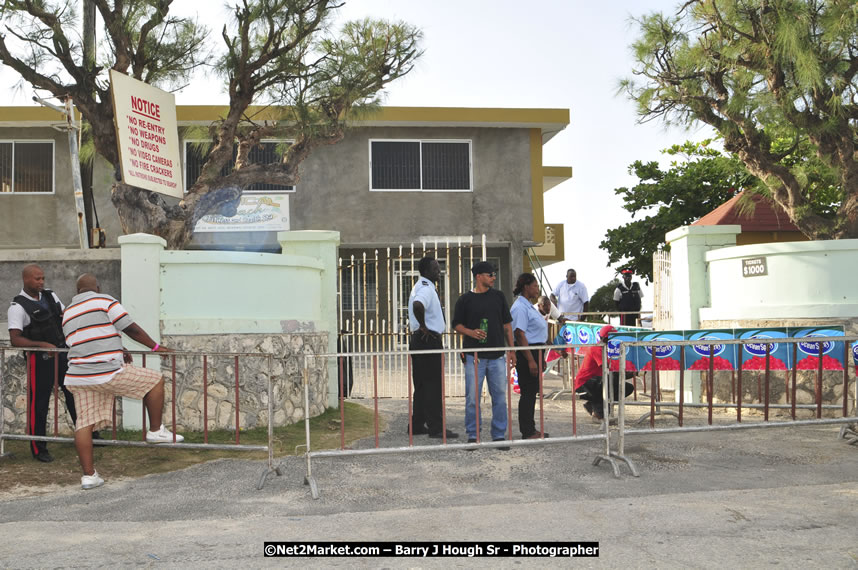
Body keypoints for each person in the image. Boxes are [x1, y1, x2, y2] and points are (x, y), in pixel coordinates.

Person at [62, 273, 184, 490]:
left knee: (84, 423)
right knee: (155, 380)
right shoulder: (105, 300)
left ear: (77, 291)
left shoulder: (68, 312)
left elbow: (87, 341)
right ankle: (155, 431)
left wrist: (119, 348)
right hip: (107, 372)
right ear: (97, 287)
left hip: (78, 376)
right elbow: (131, 328)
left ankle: (89, 476)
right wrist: (156, 347)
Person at [7, 264, 79, 462]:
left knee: (74, 394)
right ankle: (39, 448)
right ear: (25, 279)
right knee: (39, 404)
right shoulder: (18, 307)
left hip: (62, 353)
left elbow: (66, 317)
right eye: (37, 279)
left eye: (42, 278)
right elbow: (15, 339)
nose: (41, 282)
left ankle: (87, 436)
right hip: (38, 359)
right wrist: (41, 344)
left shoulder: (50, 296)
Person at [452, 261, 515, 448]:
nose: (494, 277)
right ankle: (473, 434)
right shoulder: (464, 300)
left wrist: (512, 350)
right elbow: (456, 324)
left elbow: (507, 325)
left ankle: (499, 435)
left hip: (497, 356)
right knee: (472, 397)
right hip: (474, 356)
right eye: (490, 274)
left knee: (500, 397)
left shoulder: (498, 296)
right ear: (479, 276)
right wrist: (471, 332)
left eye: (494, 274)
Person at [408, 256, 458, 439]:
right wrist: (423, 325)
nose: (439, 271)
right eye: (435, 268)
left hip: (419, 340)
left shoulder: (421, 285)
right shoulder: (426, 288)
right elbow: (417, 305)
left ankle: (417, 424)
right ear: (426, 271)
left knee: (421, 385)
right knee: (432, 386)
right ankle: (436, 428)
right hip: (427, 339)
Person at [510, 273, 549, 439]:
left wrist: (542, 358)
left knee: (532, 391)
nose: (537, 289)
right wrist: (532, 360)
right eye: (534, 286)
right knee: (528, 392)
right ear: (526, 287)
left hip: (535, 351)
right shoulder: (520, 307)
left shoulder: (528, 306)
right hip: (528, 352)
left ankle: (531, 428)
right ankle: (527, 430)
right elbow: (519, 334)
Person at [574, 325, 633, 421]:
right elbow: (610, 369)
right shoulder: (597, 349)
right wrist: (631, 373)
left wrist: (633, 372)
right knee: (611, 381)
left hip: (597, 382)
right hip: (584, 385)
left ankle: (593, 406)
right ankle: (599, 412)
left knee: (627, 388)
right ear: (606, 338)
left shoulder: (609, 350)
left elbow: (616, 371)